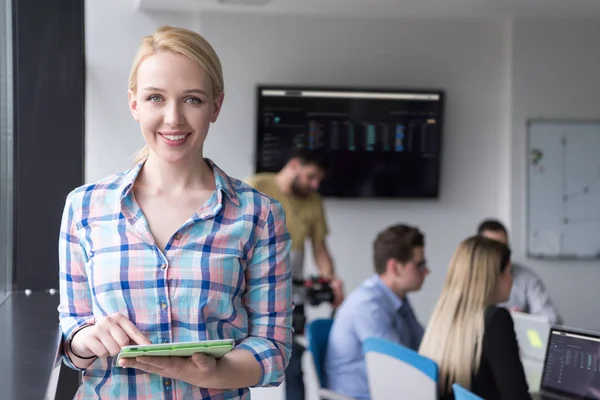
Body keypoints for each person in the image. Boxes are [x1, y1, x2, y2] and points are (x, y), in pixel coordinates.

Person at [57, 26, 293, 399]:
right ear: (134, 103)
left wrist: (209, 374)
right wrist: (87, 339)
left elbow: (274, 352)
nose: (173, 118)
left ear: (216, 105)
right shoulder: (85, 208)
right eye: (155, 98)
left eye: (192, 100)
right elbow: (73, 338)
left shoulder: (259, 215)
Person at [246, 148, 343, 400]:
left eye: (318, 179)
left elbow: (320, 249)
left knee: (294, 361)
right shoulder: (257, 186)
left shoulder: (314, 201)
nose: (315, 184)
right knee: (244, 359)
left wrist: (331, 280)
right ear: (295, 165)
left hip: (291, 296)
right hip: (251, 293)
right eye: (311, 176)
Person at [324, 224, 429, 400]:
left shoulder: (397, 298)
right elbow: (400, 368)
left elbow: (423, 346)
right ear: (395, 268)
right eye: (420, 264)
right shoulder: (369, 306)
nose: (426, 271)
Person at [419, 236, 531, 400]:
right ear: (492, 277)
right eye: (508, 272)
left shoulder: (443, 316)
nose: (512, 280)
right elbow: (517, 396)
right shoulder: (496, 320)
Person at [477, 219, 562, 324]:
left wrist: (524, 319)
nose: (501, 254)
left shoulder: (525, 277)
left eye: (504, 248)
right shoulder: (469, 280)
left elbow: (552, 319)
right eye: (494, 248)